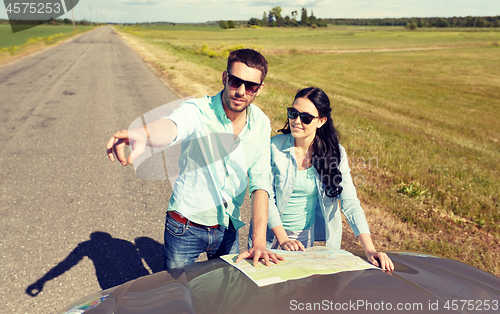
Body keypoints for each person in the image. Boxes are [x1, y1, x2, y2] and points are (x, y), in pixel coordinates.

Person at [106, 49, 283, 269]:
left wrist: (258, 243)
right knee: (179, 294)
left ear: (260, 88)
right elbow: (173, 126)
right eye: (236, 82)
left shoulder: (261, 124)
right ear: (225, 78)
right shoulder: (198, 110)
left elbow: (261, 183)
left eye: (251, 86)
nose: (241, 91)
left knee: (223, 294)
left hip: (228, 229)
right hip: (185, 227)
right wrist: (143, 133)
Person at [252, 87, 394, 271]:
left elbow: (350, 202)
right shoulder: (273, 147)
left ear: (321, 121)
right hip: (268, 235)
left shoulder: (335, 153)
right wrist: (284, 239)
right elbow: (265, 197)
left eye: (306, 117)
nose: (296, 121)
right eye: (293, 113)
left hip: (304, 240)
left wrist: (370, 250)